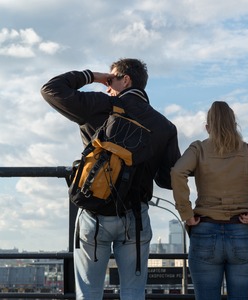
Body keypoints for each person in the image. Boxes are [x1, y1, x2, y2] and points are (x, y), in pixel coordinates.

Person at [41, 58, 181, 300]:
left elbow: (51, 89)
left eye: (111, 78)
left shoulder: (100, 105)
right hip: (134, 218)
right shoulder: (165, 126)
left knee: (90, 292)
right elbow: (168, 181)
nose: (107, 84)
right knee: (133, 293)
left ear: (125, 80)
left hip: (95, 212)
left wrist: (93, 76)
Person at [171, 101, 248, 300]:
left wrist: (187, 214)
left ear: (208, 128)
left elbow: (178, 171)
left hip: (205, 231)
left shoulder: (198, 149)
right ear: (234, 125)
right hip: (243, 230)